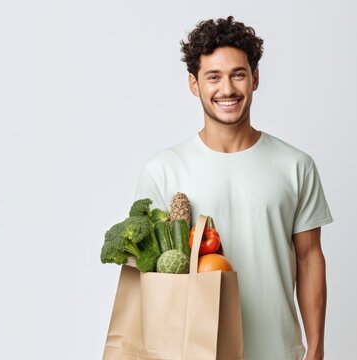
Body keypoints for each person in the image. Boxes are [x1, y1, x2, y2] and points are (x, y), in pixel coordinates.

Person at [134, 16, 333, 360]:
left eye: (238, 74)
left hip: (277, 351)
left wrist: (315, 348)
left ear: (255, 78)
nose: (227, 89)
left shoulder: (295, 165)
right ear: (194, 84)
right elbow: (149, 280)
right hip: (195, 353)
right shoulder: (164, 170)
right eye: (213, 77)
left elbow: (309, 258)